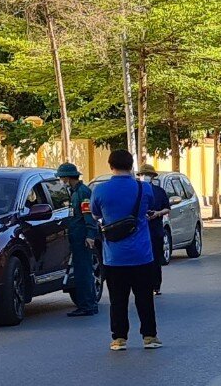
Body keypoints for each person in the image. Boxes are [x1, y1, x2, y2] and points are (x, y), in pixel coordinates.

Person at [90, 148, 167, 351]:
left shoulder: (100, 190)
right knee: (144, 297)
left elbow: (95, 212)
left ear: (110, 165)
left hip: (114, 256)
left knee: (117, 299)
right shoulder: (144, 189)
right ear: (131, 166)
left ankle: (119, 339)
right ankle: (149, 337)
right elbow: (149, 206)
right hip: (142, 254)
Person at [57, 161, 99, 318]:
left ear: (68, 178)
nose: (62, 182)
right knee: (81, 271)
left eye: (62, 178)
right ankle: (87, 304)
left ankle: (87, 305)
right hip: (77, 237)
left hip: (82, 237)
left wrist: (90, 235)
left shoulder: (82, 193)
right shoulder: (76, 192)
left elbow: (88, 216)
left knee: (84, 272)